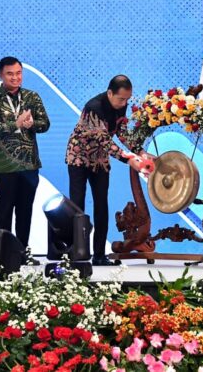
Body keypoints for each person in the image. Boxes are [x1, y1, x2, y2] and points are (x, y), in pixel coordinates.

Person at [65, 75, 146, 266]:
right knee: (77, 207)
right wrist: (129, 159)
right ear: (110, 93)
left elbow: (122, 132)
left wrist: (140, 152)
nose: (124, 103)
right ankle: (76, 253)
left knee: (102, 205)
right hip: (79, 156)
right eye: (121, 99)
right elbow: (105, 141)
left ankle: (99, 255)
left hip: (99, 160)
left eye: (127, 99)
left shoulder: (121, 105)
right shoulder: (94, 107)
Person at [0, 57, 50, 259]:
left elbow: (45, 124)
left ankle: (22, 252)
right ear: (0, 75)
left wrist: (31, 124)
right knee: (4, 210)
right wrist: (15, 124)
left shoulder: (32, 97)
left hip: (29, 164)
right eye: (10, 74)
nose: (15, 77)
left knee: (25, 210)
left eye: (18, 73)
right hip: (5, 166)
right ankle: (1, 255)